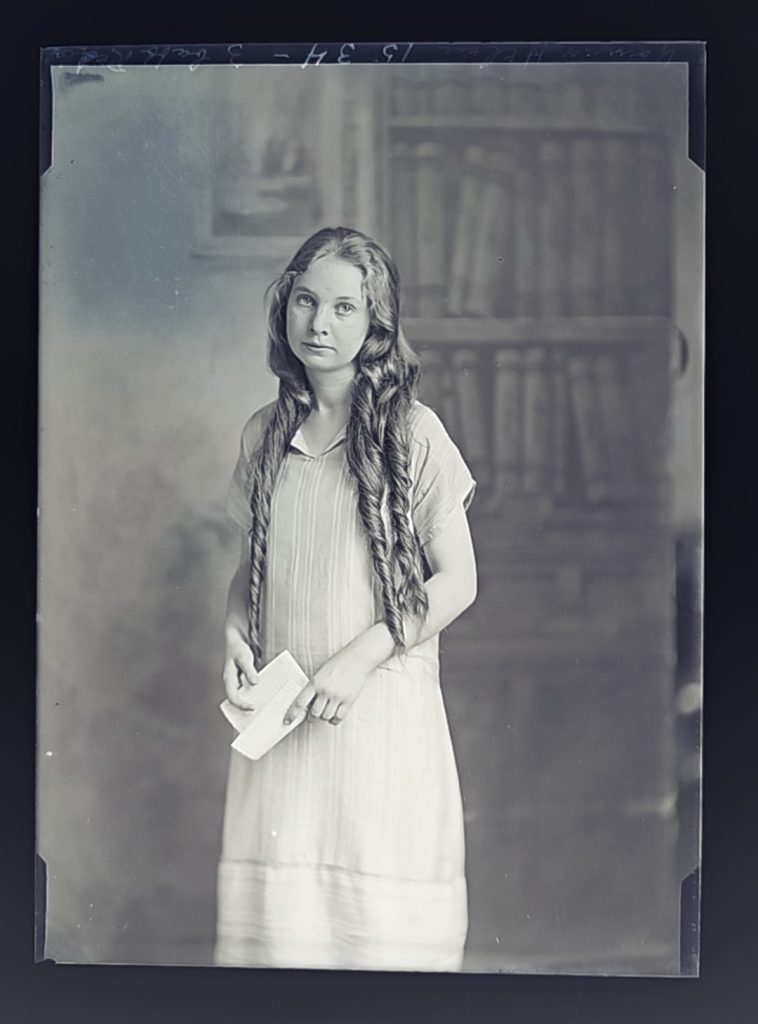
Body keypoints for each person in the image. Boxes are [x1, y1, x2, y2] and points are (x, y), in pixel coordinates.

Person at [214, 226, 477, 972]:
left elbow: (458, 579)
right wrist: (234, 629)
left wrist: (361, 658)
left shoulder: (413, 434)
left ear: (375, 325)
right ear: (284, 311)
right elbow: (252, 566)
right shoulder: (265, 435)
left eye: (342, 307)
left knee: (379, 944)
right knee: (283, 945)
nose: (319, 324)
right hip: (286, 721)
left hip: (378, 717)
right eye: (305, 301)